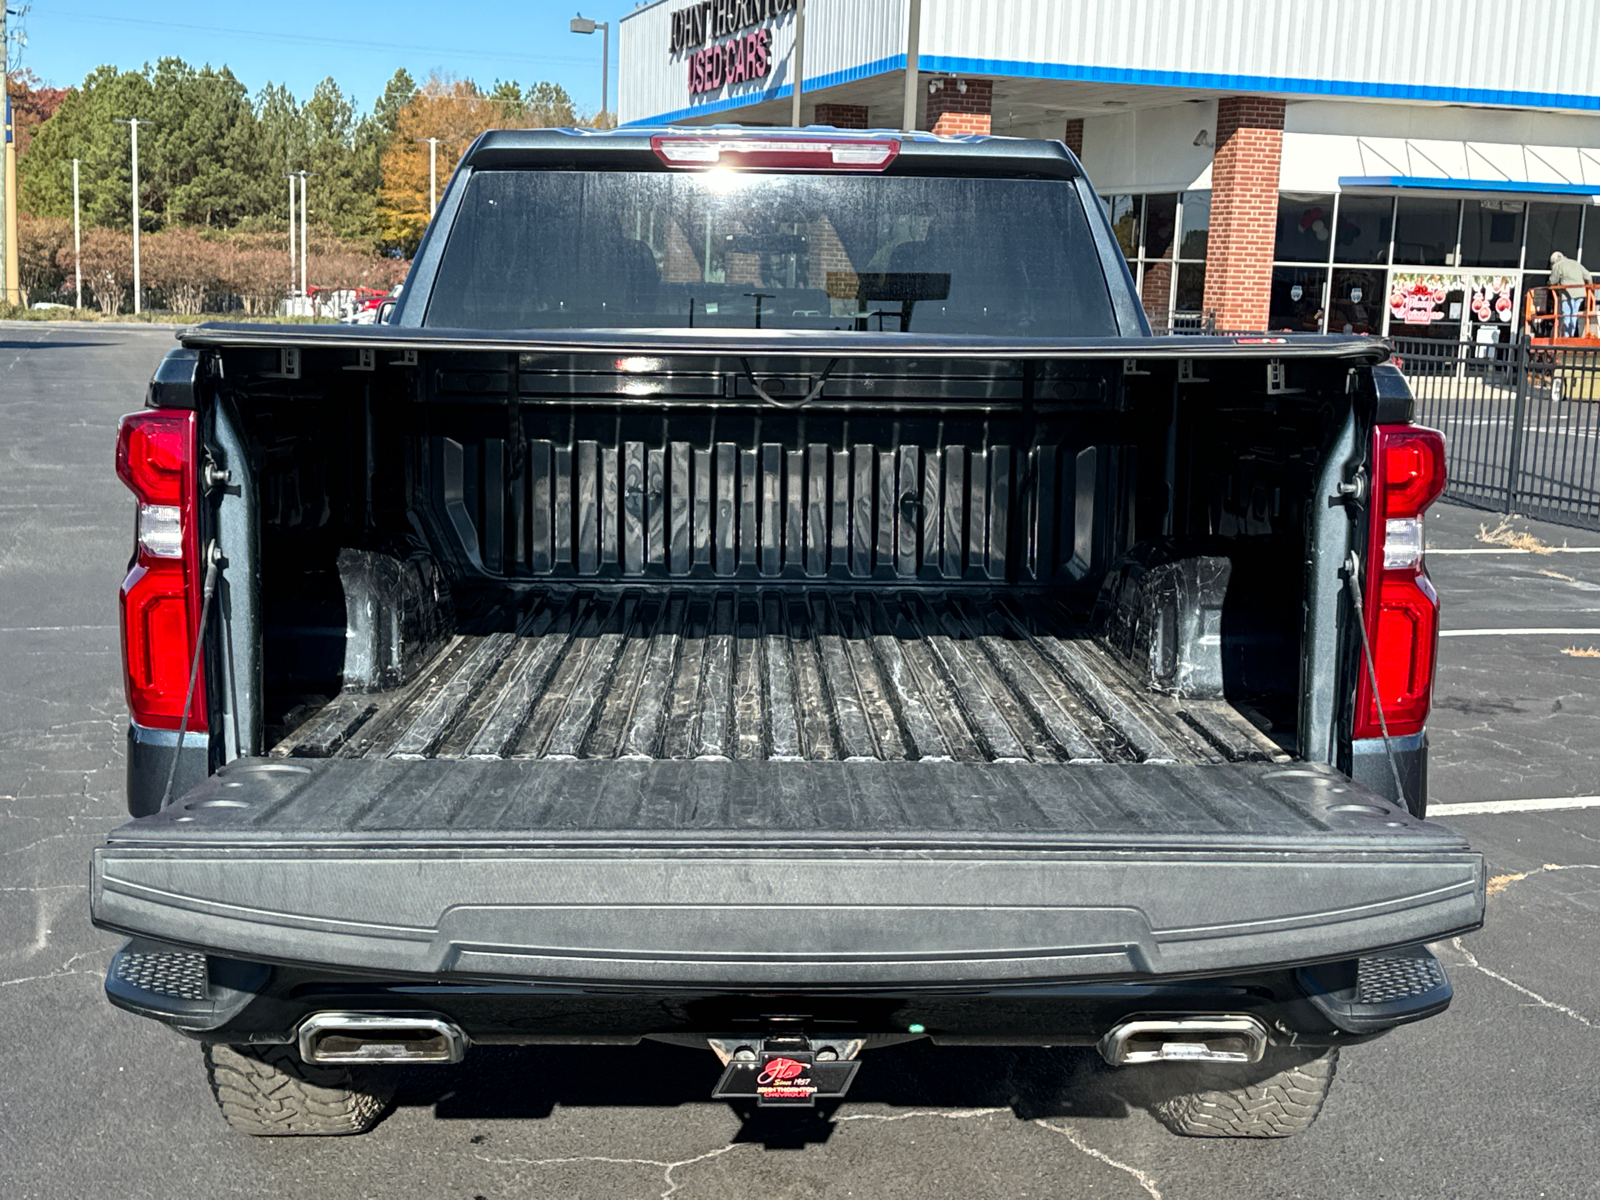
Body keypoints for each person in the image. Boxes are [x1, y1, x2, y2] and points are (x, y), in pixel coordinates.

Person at [1549, 251, 1593, 337]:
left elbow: (1552, 280)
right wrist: (1590, 288)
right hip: (1580, 293)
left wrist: (1549, 284)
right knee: (1574, 314)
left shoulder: (1557, 265)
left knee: (1567, 314)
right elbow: (1588, 276)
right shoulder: (1576, 263)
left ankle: (1567, 336)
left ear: (1554, 260)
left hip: (1567, 293)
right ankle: (1571, 334)